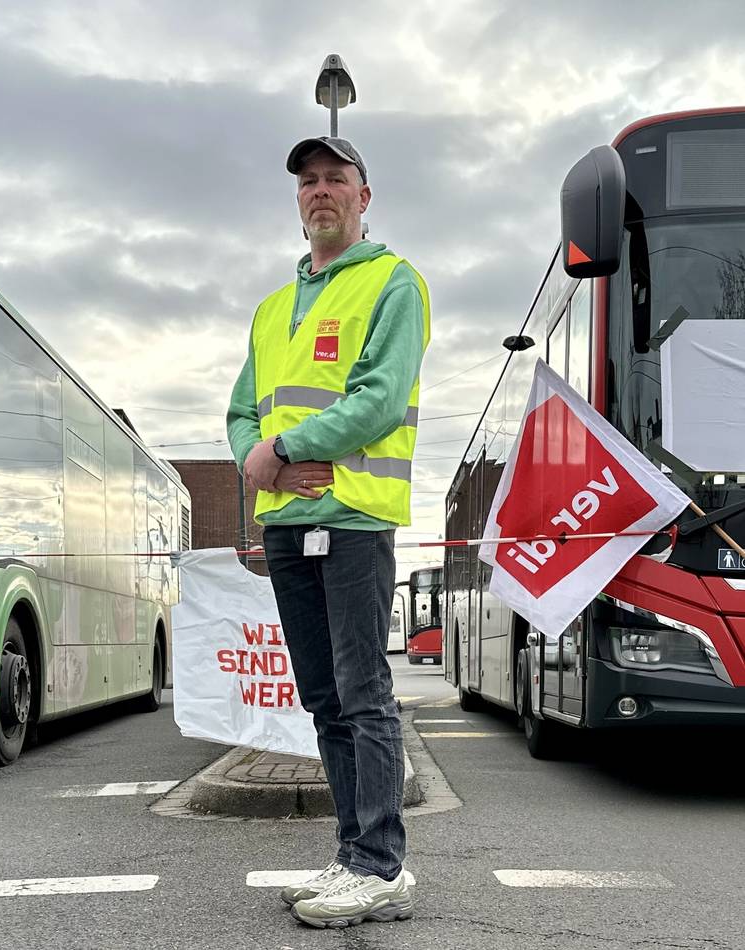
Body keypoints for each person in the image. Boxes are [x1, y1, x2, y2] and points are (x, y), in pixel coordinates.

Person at [226, 135, 430, 928]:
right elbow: (243, 412)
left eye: (335, 178)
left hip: (352, 519)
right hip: (287, 523)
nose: (319, 190)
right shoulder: (271, 309)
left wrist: (282, 450)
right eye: (308, 181)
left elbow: (379, 399)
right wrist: (262, 461)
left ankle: (380, 865)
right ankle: (354, 856)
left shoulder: (394, 282)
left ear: (362, 197)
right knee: (324, 699)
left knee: (363, 693)